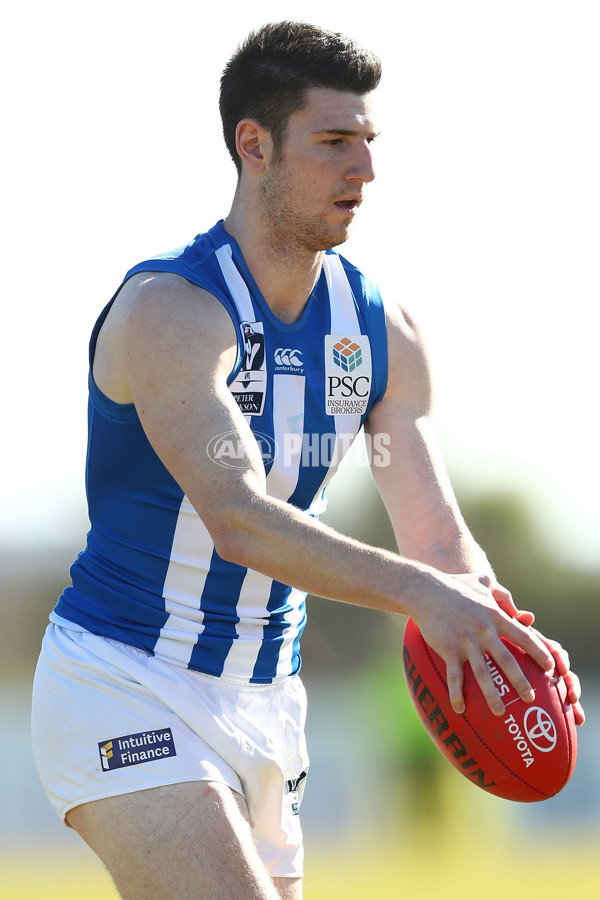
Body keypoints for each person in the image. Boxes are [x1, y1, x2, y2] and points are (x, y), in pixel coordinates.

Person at [31, 20, 584, 900]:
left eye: (367, 143)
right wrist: (418, 592)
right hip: (125, 680)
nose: (364, 170)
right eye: (333, 142)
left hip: (267, 706)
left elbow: (438, 544)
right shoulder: (174, 313)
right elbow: (239, 516)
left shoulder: (382, 332)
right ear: (254, 146)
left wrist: (496, 629)